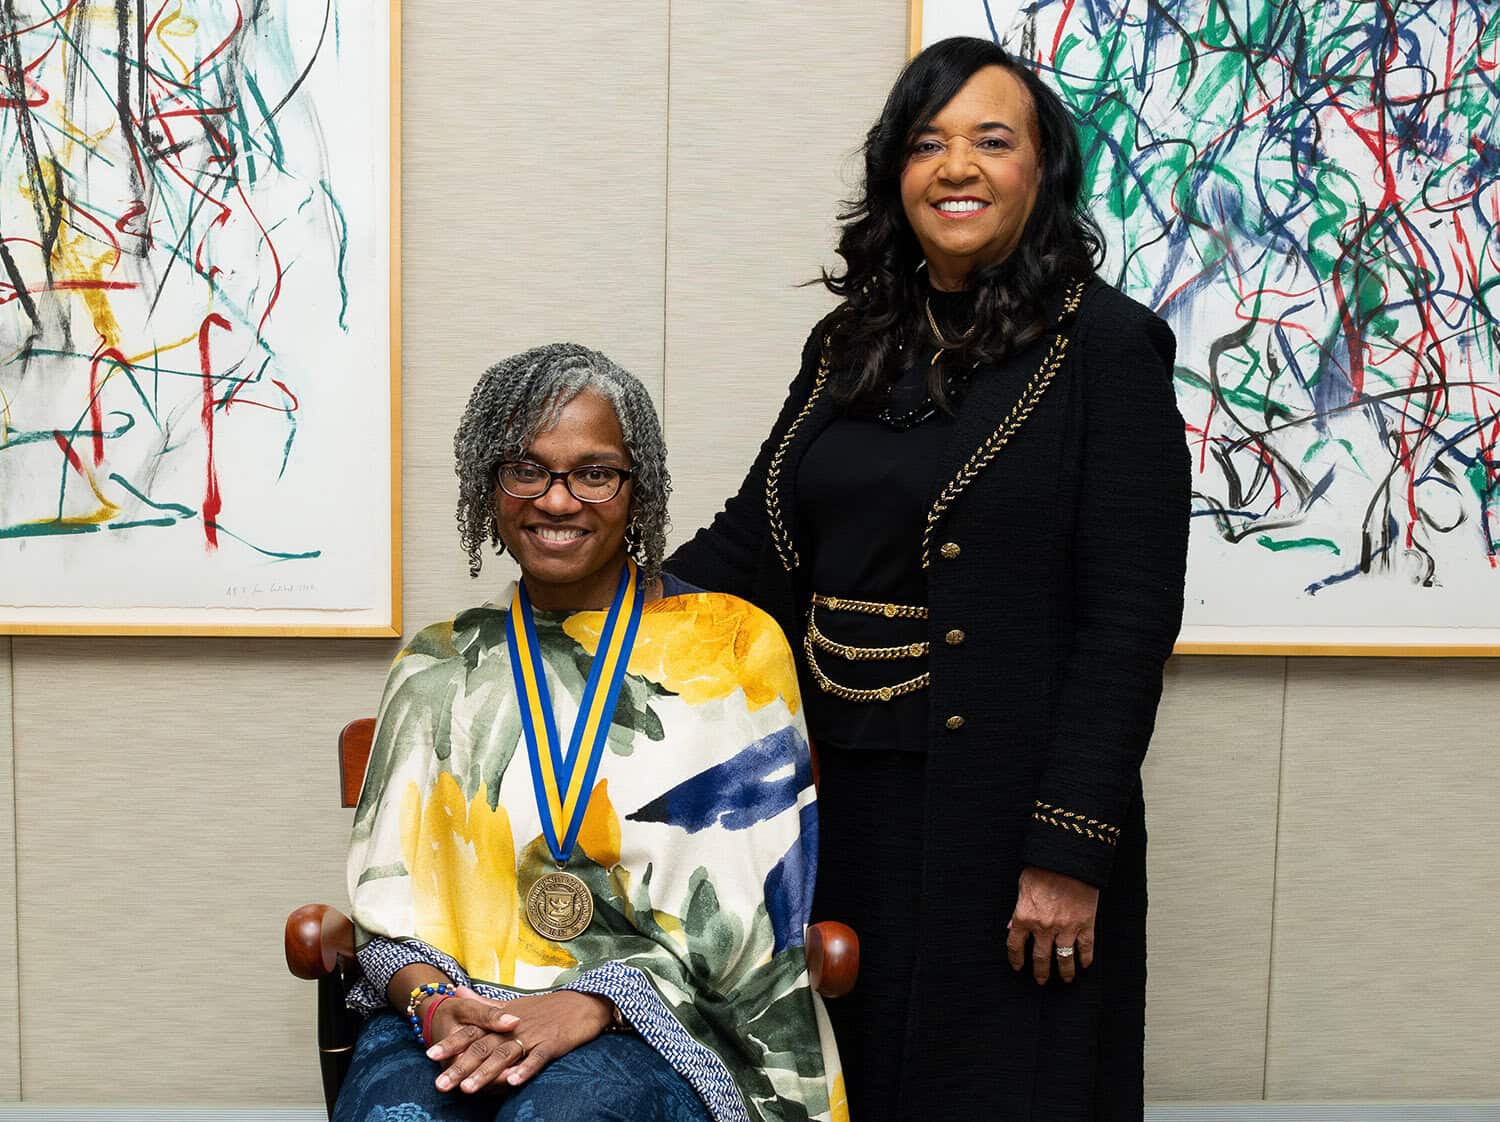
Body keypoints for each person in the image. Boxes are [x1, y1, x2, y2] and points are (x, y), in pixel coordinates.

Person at [668, 37, 1191, 1122]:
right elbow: (752, 546)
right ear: (894, 177)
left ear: (1042, 171)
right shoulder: (850, 342)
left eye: (991, 141)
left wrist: (1068, 853)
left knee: (999, 1084)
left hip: (1009, 815)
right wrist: (574, 615)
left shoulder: (1107, 352)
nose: (956, 167)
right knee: (847, 1079)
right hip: (839, 798)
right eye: (927, 144)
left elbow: (1129, 623)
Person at [337, 344, 844, 1122]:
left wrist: (596, 1001)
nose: (558, 499)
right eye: (526, 469)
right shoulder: (436, 664)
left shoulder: (732, 648)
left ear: (638, 491)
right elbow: (387, 906)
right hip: (455, 1008)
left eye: (595, 472)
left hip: (666, 1018)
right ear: (488, 487)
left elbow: (755, 912)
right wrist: (437, 1005)